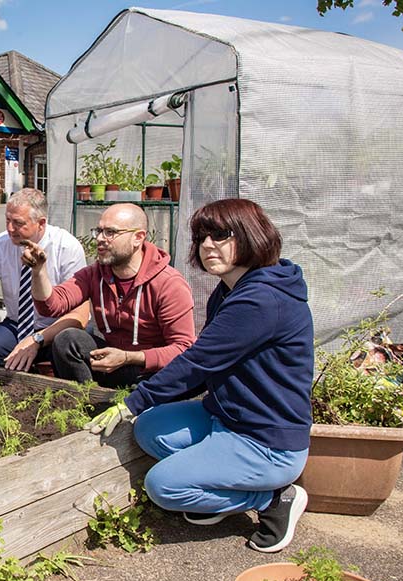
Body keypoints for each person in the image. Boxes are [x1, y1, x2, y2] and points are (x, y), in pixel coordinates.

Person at [86, 199, 313, 553]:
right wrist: (140, 407)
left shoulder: (261, 300)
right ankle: (218, 492)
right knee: (149, 429)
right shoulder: (231, 289)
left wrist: (131, 402)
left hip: (265, 440)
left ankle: (272, 499)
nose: (207, 246)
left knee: (163, 486)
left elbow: (197, 362)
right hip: (226, 418)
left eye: (220, 235)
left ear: (252, 235)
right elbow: (205, 367)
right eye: (201, 238)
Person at [26, 203, 195, 388]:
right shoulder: (95, 274)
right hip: (111, 364)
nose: (100, 238)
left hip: (150, 372)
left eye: (110, 232)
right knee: (68, 340)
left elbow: (183, 348)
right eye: (98, 231)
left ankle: (131, 406)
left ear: (138, 237)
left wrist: (129, 357)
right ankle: (87, 402)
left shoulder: (168, 283)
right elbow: (51, 306)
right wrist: (39, 271)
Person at [0, 188, 90, 372]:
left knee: (66, 356)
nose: (10, 229)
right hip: (17, 324)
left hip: (58, 328)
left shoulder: (66, 247)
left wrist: (37, 339)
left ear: (41, 223)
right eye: (7, 220)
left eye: (18, 223)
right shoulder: (0, 245)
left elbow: (81, 315)